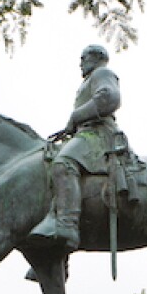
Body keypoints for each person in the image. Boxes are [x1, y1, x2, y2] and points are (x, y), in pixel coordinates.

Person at [29, 44, 121, 249]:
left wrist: (75, 116)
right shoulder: (89, 81)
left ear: (97, 57)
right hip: (84, 133)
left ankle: (67, 224)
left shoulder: (103, 73)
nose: (80, 63)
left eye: (84, 58)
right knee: (49, 162)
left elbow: (109, 98)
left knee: (62, 163)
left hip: (98, 134)